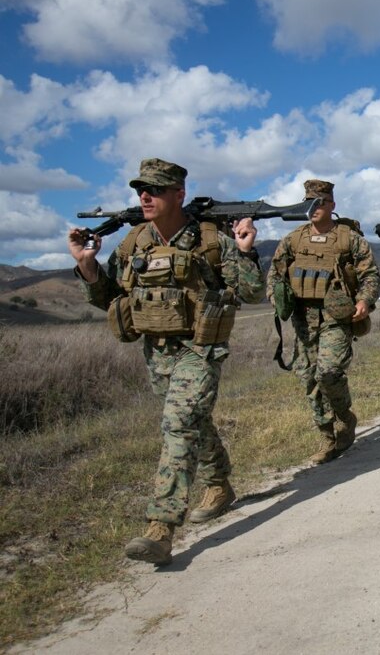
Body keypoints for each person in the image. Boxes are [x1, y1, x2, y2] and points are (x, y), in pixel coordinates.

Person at [67, 158, 264, 566]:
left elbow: (253, 292)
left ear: (179, 194)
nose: (145, 196)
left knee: (177, 423)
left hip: (199, 349)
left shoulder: (212, 240)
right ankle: (220, 484)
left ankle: (160, 528)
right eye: (141, 189)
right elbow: (110, 298)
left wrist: (244, 250)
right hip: (156, 351)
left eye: (154, 189)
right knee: (194, 422)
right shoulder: (135, 241)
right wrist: (87, 268)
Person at [266, 180, 379, 464]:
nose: (314, 207)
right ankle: (328, 437)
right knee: (308, 379)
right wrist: (276, 298)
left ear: (332, 205)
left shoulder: (348, 238)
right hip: (303, 319)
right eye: (309, 202)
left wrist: (364, 300)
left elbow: (370, 274)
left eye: (320, 202)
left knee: (328, 373)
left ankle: (345, 417)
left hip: (336, 317)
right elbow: (275, 275)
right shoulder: (293, 239)